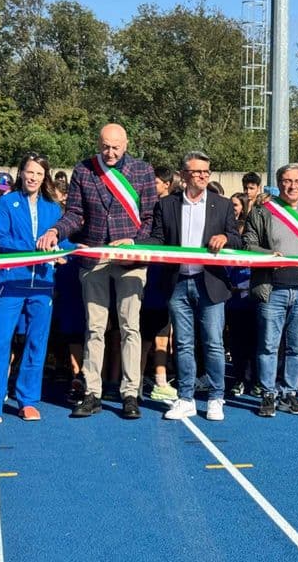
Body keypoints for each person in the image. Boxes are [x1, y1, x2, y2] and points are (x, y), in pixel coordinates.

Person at [36, 123, 157, 420]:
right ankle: (93, 392)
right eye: (105, 146)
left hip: (130, 259)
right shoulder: (84, 170)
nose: (110, 152)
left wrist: (135, 241)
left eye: (116, 147)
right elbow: (75, 214)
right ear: (98, 143)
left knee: (130, 327)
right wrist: (55, 230)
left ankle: (130, 393)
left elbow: (151, 217)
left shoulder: (142, 171)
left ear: (126, 144)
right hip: (94, 257)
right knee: (94, 328)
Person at [135, 151, 240, 421]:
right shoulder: (167, 205)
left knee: (214, 343)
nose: (203, 176)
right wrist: (134, 244)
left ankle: (216, 397)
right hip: (178, 282)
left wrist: (225, 237)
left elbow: (238, 241)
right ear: (184, 175)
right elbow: (158, 238)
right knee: (182, 344)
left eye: (206, 172)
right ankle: (185, 398)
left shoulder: (223, 204)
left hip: (211, 283)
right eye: (197, 172)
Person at [0, 153, 65, 426]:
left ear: (45, 176)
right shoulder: (6, 203)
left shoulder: (52, 207)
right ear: (21, 173)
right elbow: (0, 239)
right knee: (0, 342)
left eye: (39, 173)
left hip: (43, 284)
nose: (33, 177)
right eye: (29, 172)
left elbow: (61, 240)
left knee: (37, 343)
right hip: (10, 283)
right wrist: (34, 250)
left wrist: (64, 252)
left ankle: (28, 401)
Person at [243, 162, 298, 417]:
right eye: (287, 181)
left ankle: (290, 393)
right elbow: (248, 244)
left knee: (296, 348)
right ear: (279, 183)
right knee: (268, 345)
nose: (292, 186)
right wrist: (269, 255)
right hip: (272, 290)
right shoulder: (262, 211)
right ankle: (268, 393)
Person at [140, 165, 177, 402]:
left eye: (155, 182)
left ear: (166, 184)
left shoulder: (174, 207)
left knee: (163, 331)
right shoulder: (145, 207)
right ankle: (135, 380)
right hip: (147, 276)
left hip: (166, 276)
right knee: (143, 334)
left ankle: (161, 381)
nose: (151, 186)